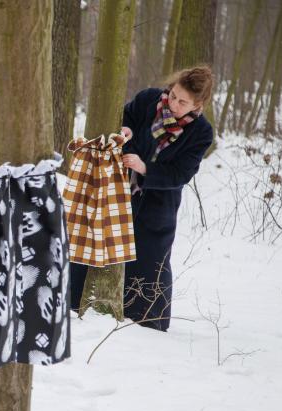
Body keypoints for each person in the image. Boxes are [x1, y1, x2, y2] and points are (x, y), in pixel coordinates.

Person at [70, 66, 214, 331]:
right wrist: (126, 130)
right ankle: (76, 305)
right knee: (99, 241)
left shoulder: (202, 132)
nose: (173, 104)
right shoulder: (148, 99)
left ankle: (147, 324)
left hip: (158, 203)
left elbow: (182, 172)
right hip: (118, 189)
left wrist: (146, 168)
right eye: (173, 95)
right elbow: (127, 117)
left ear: (197, 105)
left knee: (150, 260)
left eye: (182, 102)